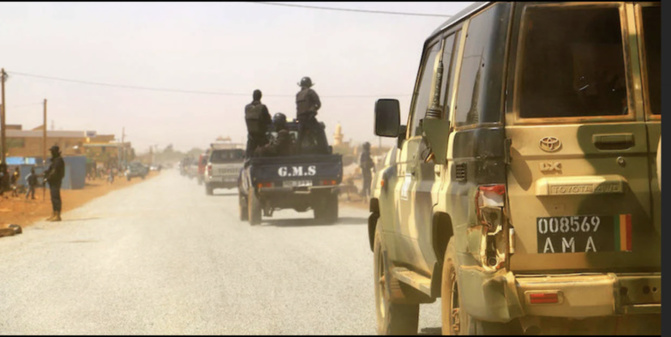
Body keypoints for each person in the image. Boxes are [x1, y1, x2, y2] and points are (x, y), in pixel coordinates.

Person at [295, 76, 328, 154]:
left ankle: (297, 153)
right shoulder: (310, 92)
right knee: (319, 131)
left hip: (300, 119)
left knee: (300, 138)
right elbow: (318, 104)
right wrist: (314, 110)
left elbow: (297, 107)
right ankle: (323, 152)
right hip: (309, 118)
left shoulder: (298, 94)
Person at [245, 89, 272, 158]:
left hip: (251, 138)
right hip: (261, 137)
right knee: (265, 156)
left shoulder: (247, 108)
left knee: (249, 157)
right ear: (260, 97)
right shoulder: (262, 107)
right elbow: (269, 121)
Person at [44, 145, 65, 222]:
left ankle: (57, 214)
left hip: (55, 181)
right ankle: (54, 213)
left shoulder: (58, 160)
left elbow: (54, 171)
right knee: (53, 197)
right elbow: (51, 170)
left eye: (52, 151)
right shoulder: (55, 160)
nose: (51, 153)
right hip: (53, 181)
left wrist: (47, 178)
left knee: (56, 197)